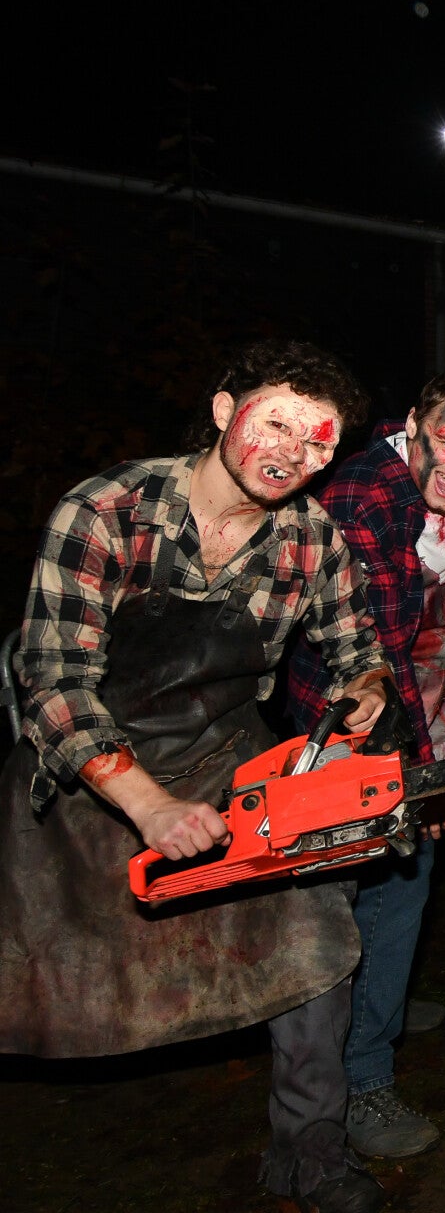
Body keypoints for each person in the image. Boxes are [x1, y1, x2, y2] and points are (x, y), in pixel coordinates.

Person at [1, 341, 392, 1213]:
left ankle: (312, 1155)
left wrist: (364, 691)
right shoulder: (106, 510)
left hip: (223, 759)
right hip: (88, 777)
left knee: (314, 941)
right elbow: (53, 684)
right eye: (275, 422)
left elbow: (358, 651)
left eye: (318, 441)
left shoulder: (312, 539)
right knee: (34, 980)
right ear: (224, 411)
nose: (291, 452)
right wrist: (147, 805)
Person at [285, 374, 445, 1159]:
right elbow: (377, 656)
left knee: (399, 884)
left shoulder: (442, 495)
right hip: (348, 727)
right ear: (414, 425)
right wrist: (423, 776)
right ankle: (360, 1076)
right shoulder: (368, 497)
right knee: (364, 893)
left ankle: (374, 1003)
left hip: (410, 714)